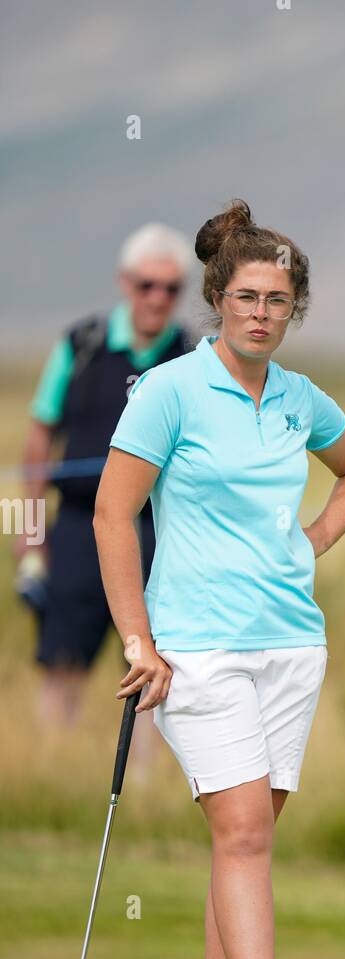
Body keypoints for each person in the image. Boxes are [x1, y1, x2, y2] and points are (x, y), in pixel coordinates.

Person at [93, 200, 345, 959]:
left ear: (296, 310)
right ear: (219, 298)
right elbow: (112, 514)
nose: (263, 312)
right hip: (196, 647)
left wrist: (314, 541)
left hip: (291, 643)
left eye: (280, 300)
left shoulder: (300, 398)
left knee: (243, 839)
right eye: (248, 296)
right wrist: (138, 642)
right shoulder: (170, 390)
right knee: (246, 831)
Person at [19, 223, 194, 725]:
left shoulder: (190, 358)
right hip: (78, 526)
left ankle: (145, 793)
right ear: (125, 282)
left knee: (155, 666)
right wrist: (31, 538)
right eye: (146, 285)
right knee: (62, 660)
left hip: (157, 530)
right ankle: (52, 779)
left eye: (170, 288)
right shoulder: (81, 345)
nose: (157, 298)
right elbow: (37, 441)